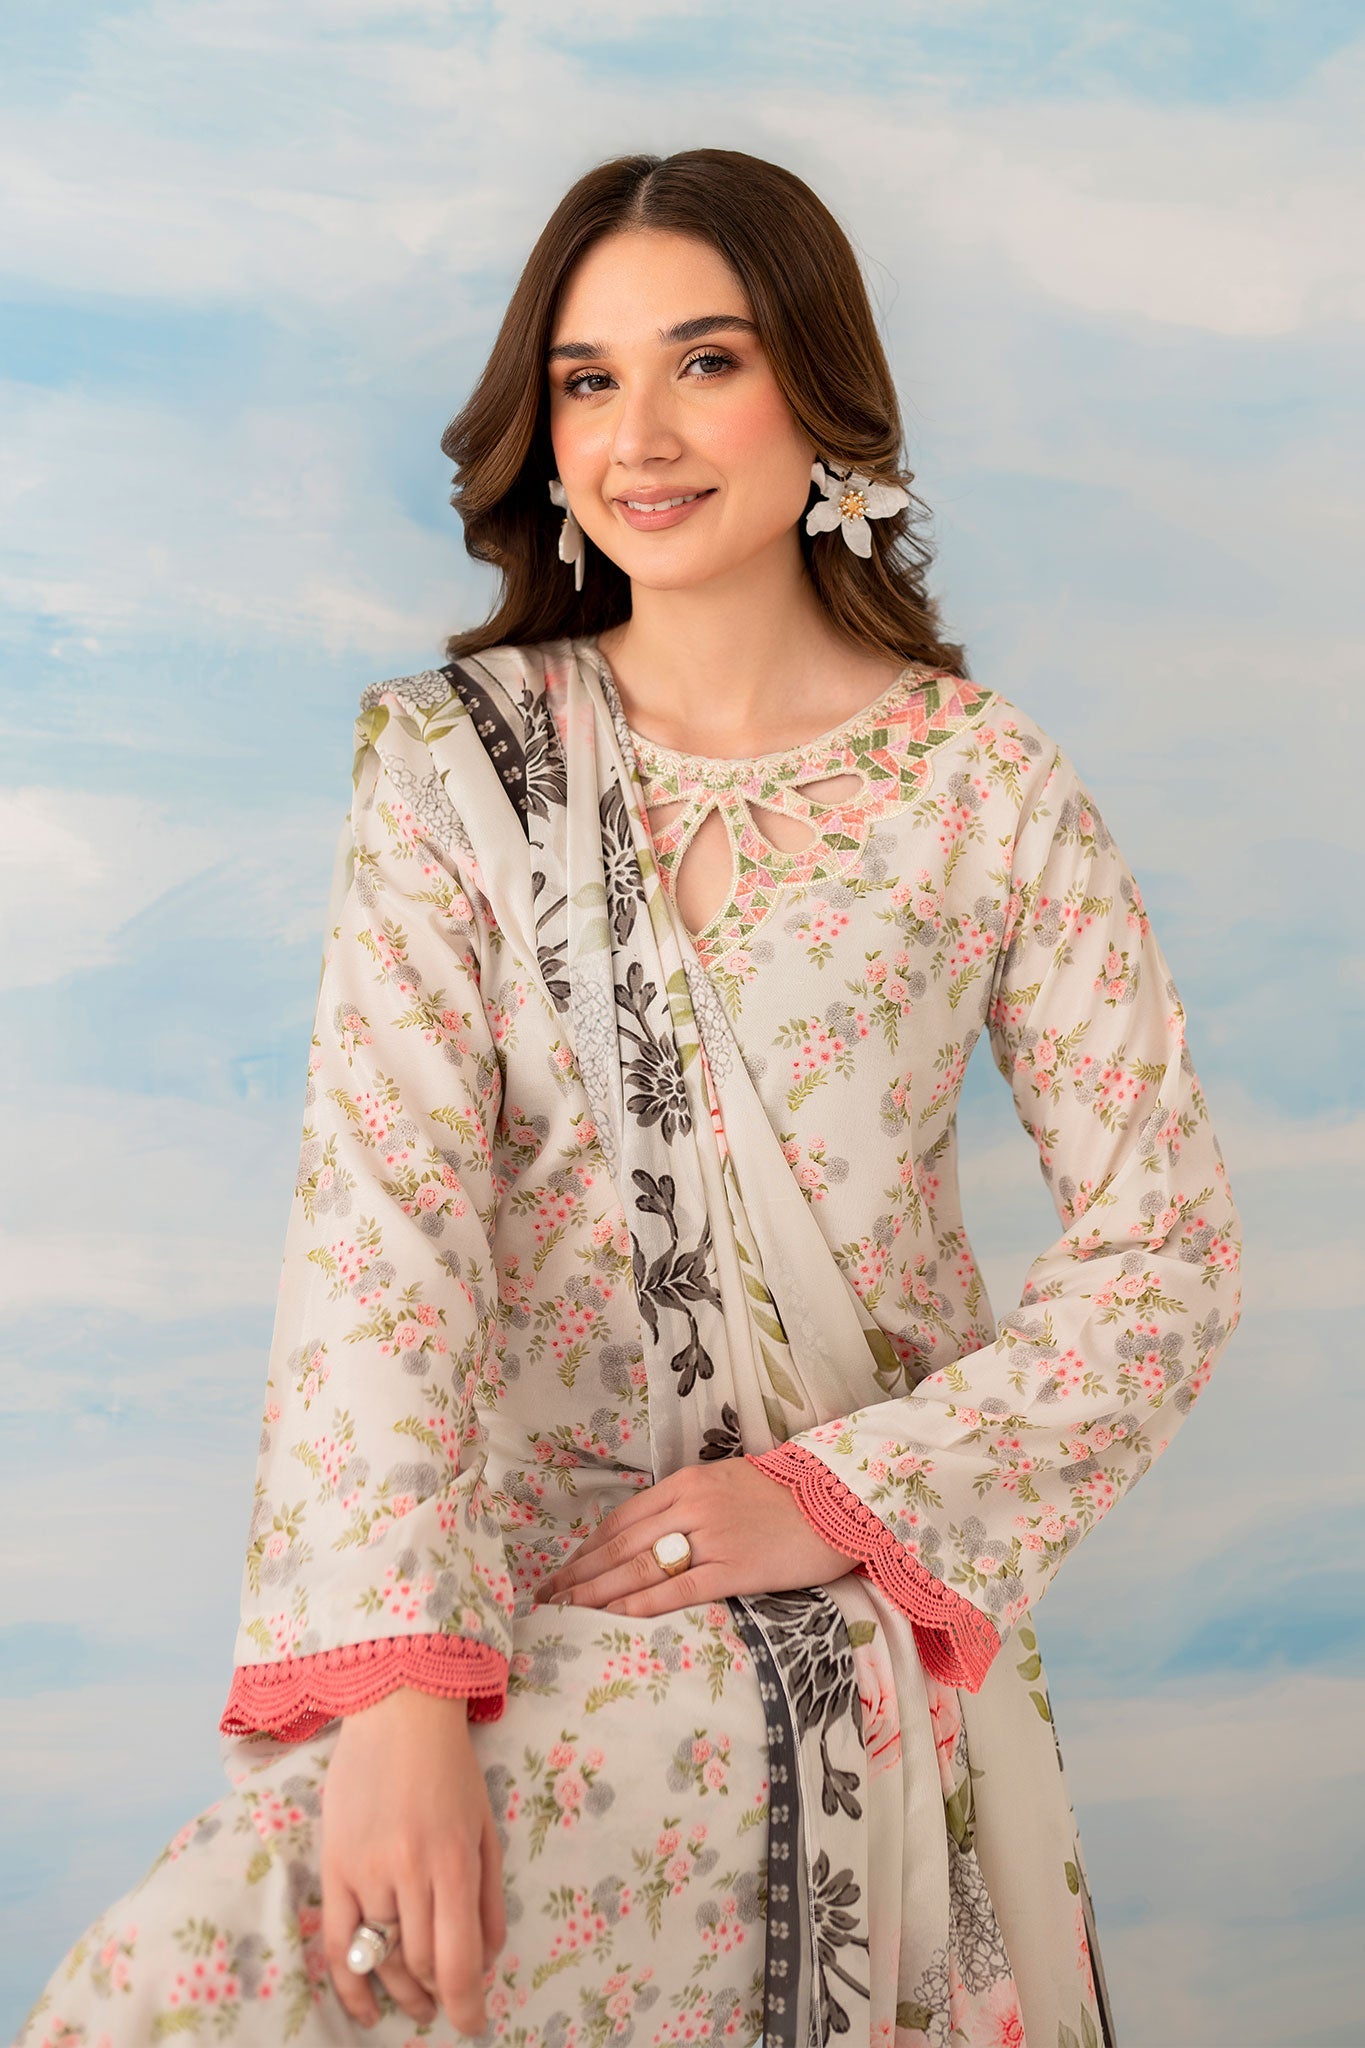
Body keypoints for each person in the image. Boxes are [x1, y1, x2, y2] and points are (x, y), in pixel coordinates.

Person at [14, 147, 1243, 2048]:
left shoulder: (978, 786)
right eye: (587, 379)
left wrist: (832, 1498)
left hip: (845, 1617)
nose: (638, 436)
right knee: (200, 1977)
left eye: (706, 362)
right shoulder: (457, 770)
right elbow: (382, 1242)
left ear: (822, 395)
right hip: (506, 1612)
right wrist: (399, 1704)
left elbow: (1164, 1256)